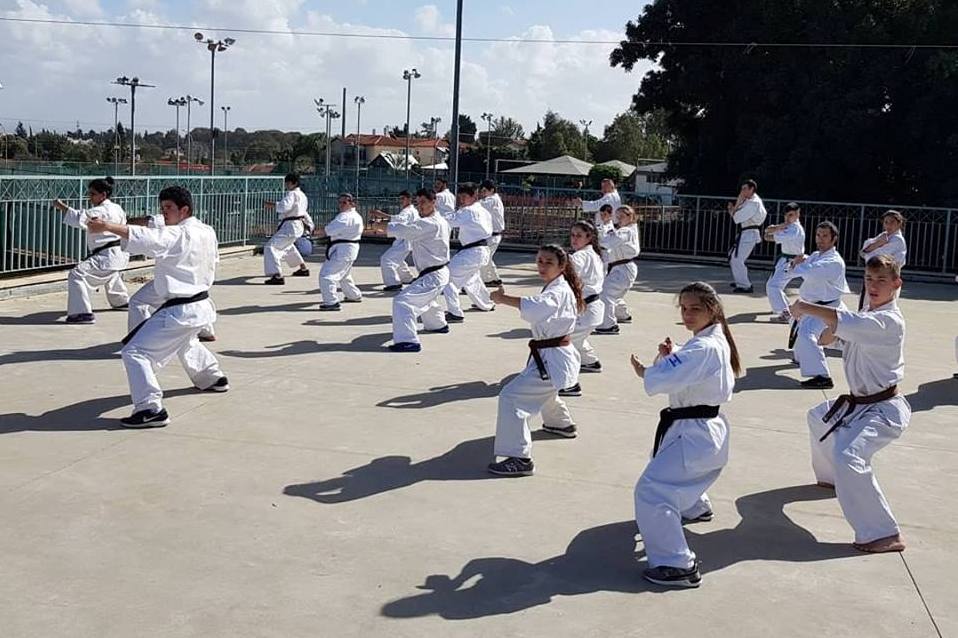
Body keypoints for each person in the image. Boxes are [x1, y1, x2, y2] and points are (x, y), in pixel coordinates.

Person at [793, 255, 909, 554]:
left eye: (882, 280)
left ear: (896, 283)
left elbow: (849, 324)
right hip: (857, 404)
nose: (873, 285)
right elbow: (832, 338)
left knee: (849, 456)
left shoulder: (889, 321)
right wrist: (829, 331)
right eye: (869, 279)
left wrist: (806, 306)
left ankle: (884, 532)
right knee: (818, 417)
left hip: (884, 409)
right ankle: (833, 479)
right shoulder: (868, 313)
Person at [87, 186, 228, 428]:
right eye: (162, 208)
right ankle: (211, 377)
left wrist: (107, 226)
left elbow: (149, 238)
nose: (164, 213)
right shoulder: (207, 230)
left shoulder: (177, 234)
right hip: (200, 305)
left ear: (184, 210)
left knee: (135, 353)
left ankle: (150, 408)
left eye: (169, 208)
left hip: (181, 310)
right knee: (185, 340)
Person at [630, 282, 740, 588]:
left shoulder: (704, 347)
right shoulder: (710, 341)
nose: (688, 314)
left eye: (695, 309)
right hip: (702, 430)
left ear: (712, 310)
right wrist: (673, 354)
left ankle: (677, 564)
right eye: (684, 308)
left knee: (651, 491)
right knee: (670, 470)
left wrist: (647, 371)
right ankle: (695, 506)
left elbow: (670, 374)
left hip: (695, 434)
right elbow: (690, 363)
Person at [487, 244, 584, 476]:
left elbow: (536, 307)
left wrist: (502, 298)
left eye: (549, 262)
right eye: (540, 261)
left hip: (553, 357)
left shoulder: (557, 291)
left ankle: (520, 458)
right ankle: (560, 423)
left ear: (562, 266)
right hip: (552, 355)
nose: (542, 266)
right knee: (544, 391)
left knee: (511, 398)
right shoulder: (558, 285)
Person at [370, 188, 451, 352]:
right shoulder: (440, 221)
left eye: (424, 202)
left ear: (433, 202)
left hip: (434, 274)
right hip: (436, 273)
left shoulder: (430, 223)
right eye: (418, 203)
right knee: (426, 299)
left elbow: (404, 230)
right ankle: (437, 325)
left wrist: (379, 225)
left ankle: (408, 341)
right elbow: (408, 227)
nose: (420, 206)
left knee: (402, 302)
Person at [52, 177, 129, 324]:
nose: (90, 197)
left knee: (76, 274)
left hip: (108, 255)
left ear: (103, 195)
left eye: (93, 194)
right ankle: (121, 300)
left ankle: (82, 314)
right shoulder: (117, 208)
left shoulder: (99, 211)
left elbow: (79, 218)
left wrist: (60, 206)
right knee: (110, 273)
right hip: (120, 254)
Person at [788, 221, 851, 389]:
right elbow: (805, 266)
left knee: (807, 334)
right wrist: (799, 262)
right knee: (797, 325)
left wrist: (796, 263)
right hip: (812, 305)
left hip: (826, 307)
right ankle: (803, 357)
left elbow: (806, 270)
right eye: (818, 235)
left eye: (825, 236)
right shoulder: (817, 255)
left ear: (833, 238)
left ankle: (822, 377)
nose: (820, 239)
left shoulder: (834, 262)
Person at [559, 220, 605, 397]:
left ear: (589, 237)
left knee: (563, 344)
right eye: (572, 235)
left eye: (579, 235)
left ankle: (569, 384)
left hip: (587, 309)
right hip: (592, 309)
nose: (574, 239)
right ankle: (590, 361)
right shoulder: (594, 254)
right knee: (577, 338)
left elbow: (565, 278)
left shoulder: (580, 257)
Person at [440, 182, 496, 322]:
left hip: (472, 252)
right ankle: (486, 304)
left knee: (446, 277)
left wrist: (433, 216)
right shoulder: (483, 211)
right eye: (460, 197)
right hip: (480, 251)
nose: (461, 200)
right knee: (471, 279)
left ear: (473, 197)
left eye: (464, 197)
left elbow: (450, 221)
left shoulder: (468, 211)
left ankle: (455, 313)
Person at [594, 206, 640, 335]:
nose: (619, 219)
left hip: (623, 268)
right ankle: (622, 314)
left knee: (606, 293)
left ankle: (608, 325)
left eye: (622, 217)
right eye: (617, 217)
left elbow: (608, 241)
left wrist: (593, 237)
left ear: (630, 217)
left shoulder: (626, 231)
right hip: (621, 267)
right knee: (615, 293)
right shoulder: (625, 230)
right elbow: (609, 236)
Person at [316, 193, 364, 311]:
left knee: (327, 275)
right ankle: (354, 295)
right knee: (344, 275)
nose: (341, 205)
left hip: (343, 250)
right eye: (340, 202)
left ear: (352, 203)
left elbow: (328, 230)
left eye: (344, 202)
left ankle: (331, 302)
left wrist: (314, 232)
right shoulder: (356, 216)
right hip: (349, 249)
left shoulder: (345, 217)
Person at [262, 173, 313, 285]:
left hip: (291, 226)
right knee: (288, 246)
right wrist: (310, 225)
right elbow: (304, 212)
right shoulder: (302, 195)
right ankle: (303, 268)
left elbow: (284, 207)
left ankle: (277, 275)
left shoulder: (292, 194)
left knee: (270, 247)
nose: (286, 185)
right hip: (298, 226)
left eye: (288, 183)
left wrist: (272, 205)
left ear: (294, 183)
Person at [763, 202, 806, 321]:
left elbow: (768, 236)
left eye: (791, 215)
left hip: (793, 261)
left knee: (773, 286)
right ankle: (787, 310)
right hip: (786, 260)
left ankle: (786, 313)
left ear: (797, 214)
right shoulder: (788, 226)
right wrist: (780, 226)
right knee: (775, 285)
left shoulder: (794, 229)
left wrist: (777, 228)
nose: (788, 218)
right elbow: (767, 230)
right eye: (786, 215)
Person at [858, 210, 907, 310]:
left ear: (899, 223)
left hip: (887, 278)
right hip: (875, 275)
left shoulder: (897, 240)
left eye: (892, 222)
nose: (888, 225)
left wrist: (870, 249)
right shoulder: (884, 235)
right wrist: (878, 243)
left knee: (882, 305)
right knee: (868, 305)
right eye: (886, 222)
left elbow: (874, 256)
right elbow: (866, 245)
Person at [727, 179, 768, 293]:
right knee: (733, 256)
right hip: (746, 232)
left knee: (737, 259)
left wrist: (736, 205)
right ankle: (740, 280)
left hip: (749, 234)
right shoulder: (749, 201)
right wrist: (735, 209)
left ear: (751, 189)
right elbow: (736, 214)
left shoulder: (753, 203)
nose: (742, 191)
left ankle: (745, 285)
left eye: (745, 189)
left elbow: (736, 218)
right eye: (742, 189)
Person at [379, 190, 419, 291]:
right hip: (405, 240)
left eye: (403, 198)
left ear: (409, 199)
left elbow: (400, 220)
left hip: (404, 241)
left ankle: (393, 283)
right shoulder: (412, 210)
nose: (401, 201)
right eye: (400, 198)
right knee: (398, 260)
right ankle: (407, 278)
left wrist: (383, 215)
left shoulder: (408, 211)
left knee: (386, 259)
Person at [479, 179, 506, 286]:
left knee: (484, 258)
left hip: (493, 235)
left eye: (484, 191)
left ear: (492, 190)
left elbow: (479, 206)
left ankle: (489, 279)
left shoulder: (492, 199)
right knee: (487, 258)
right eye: (482, 191)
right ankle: (494, 279)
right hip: (491, 235)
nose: (483, 193)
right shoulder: (492, 199)